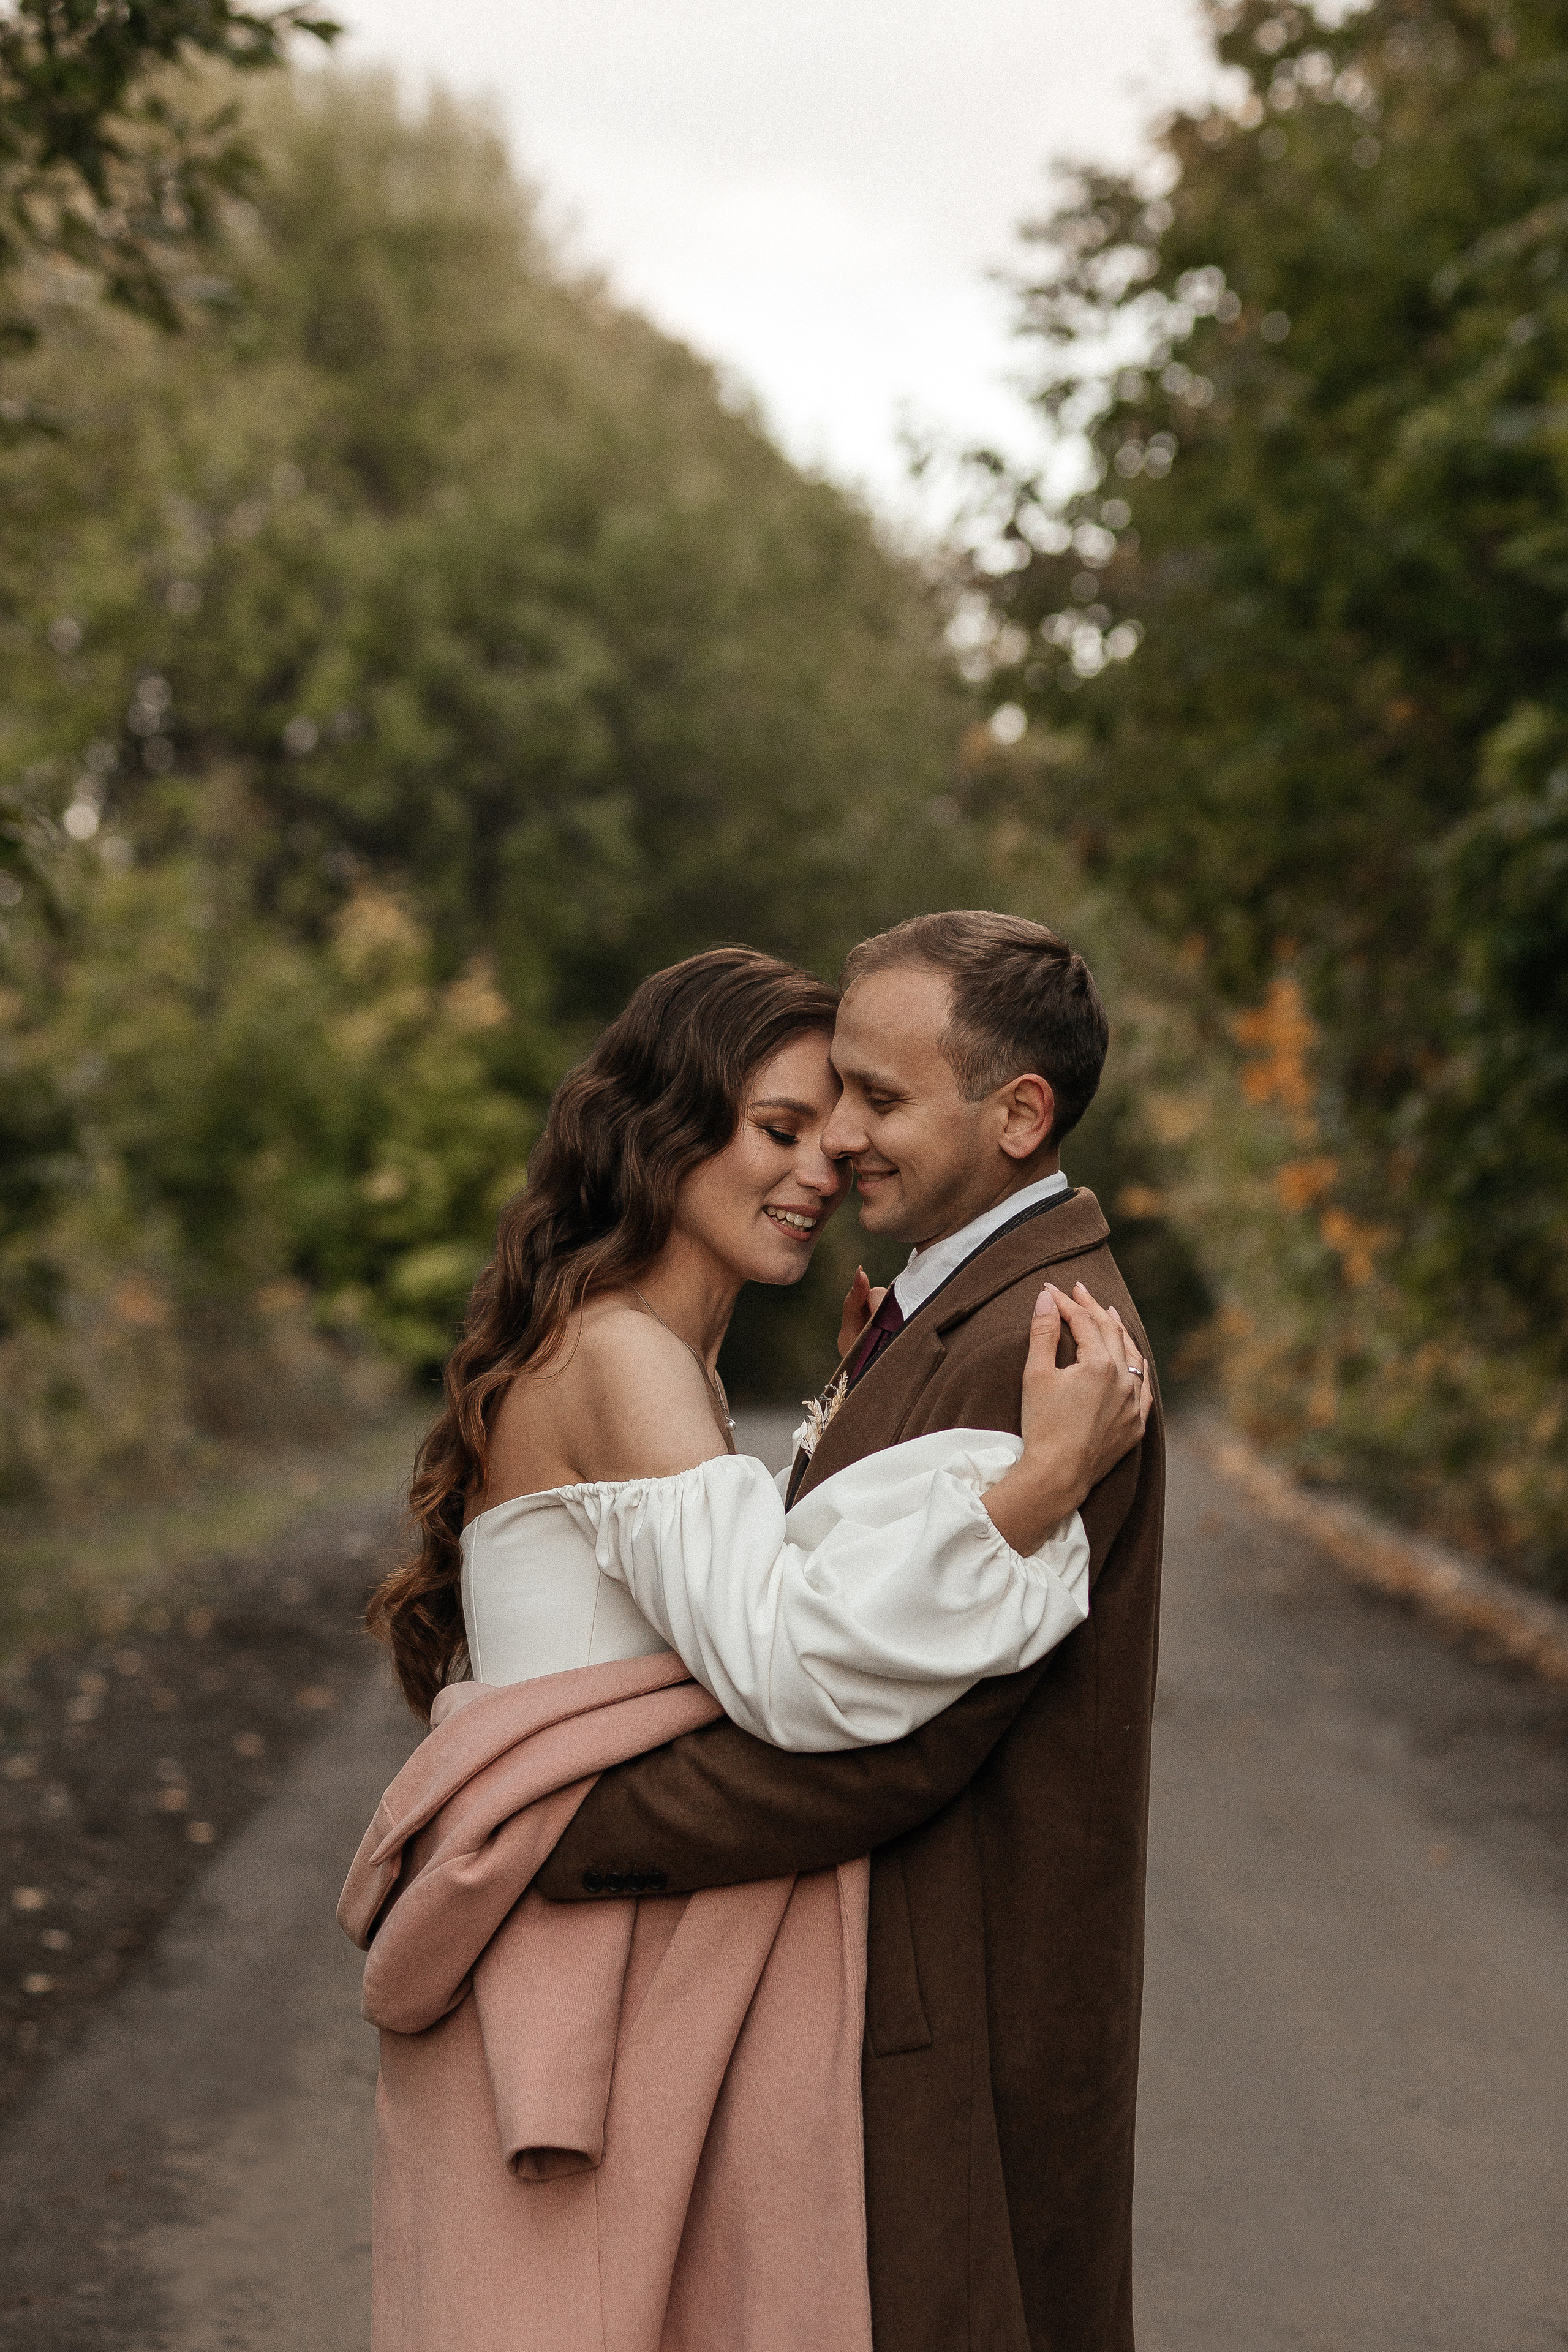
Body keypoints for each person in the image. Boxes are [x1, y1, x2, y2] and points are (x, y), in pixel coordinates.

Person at [352, 941, 1150, 2350]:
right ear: (663, 1141)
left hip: (623, 1978)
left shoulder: (665, 1364)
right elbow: (781, 1668)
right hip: (577, 1988)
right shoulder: (624, 1360)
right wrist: (1023, 1496)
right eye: (783, 1128)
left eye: (843, 1122)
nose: (825, 1162)